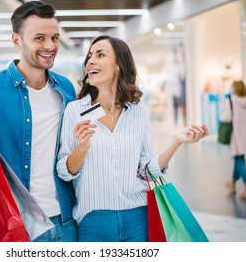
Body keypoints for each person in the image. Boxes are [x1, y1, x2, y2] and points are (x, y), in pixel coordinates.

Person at [56, 35, 209, 242]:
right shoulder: (75, 111)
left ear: (119, 65)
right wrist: (82, 147)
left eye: (100, 55)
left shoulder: (138, 113)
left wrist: (177, 141)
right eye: (89, 56)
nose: (90, 61)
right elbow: (65, 172)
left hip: (137, 215)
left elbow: (147, 171)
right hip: (94, 220)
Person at [0, 1, 77, 242]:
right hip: (18, 223)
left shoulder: (66, 89)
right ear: (16, 41)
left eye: (55, 38)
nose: (50, 46)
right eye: (39, 38)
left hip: (66, 219)